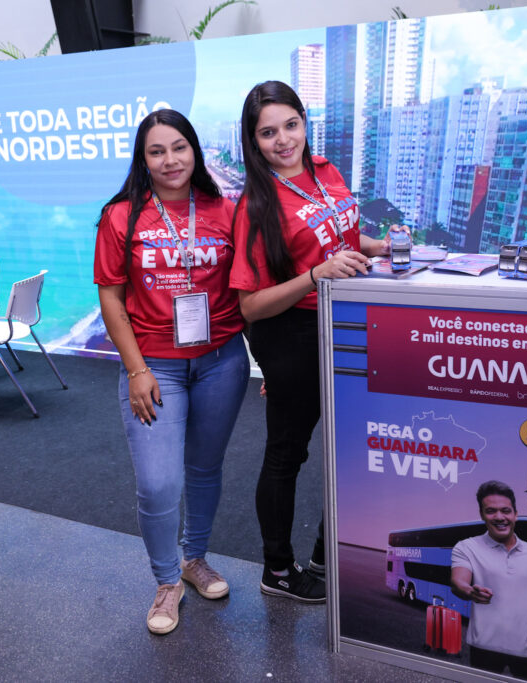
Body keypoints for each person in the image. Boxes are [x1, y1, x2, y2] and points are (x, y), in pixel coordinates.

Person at [230, 80, 400, 603]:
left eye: (290, 125)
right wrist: (315, 276)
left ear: (305, 122)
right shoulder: (256, 205)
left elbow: (342, 237)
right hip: (291, 332)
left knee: (350, 449)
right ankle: (277, 571)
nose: (283, 141)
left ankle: (329, 556)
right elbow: (250, 306)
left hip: (344, 323)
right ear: (252, 140)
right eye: (267, 133)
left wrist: (382, 245)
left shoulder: (325, 171)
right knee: (288, 453)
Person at [94, 109, 249, 635]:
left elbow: (250, 288)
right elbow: (112, 300)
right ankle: (166, 581)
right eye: (156, 151)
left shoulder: (223, 209)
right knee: (159, 483)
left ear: (195, 151)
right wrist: (136, 370)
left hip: (222, 360)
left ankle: (194, 558)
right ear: (143, 160)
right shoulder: (121, 216)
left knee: (205, 469)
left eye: (179, 147)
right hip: (154, 363)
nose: (170, 160)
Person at [450, 481, 527, 681]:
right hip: (483, 648)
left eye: (505, 511)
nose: (499, 517)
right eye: (491, 511)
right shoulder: (466, 548)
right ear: (482, 515)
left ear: (515, 514)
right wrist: (470, 591)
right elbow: (458, 582)